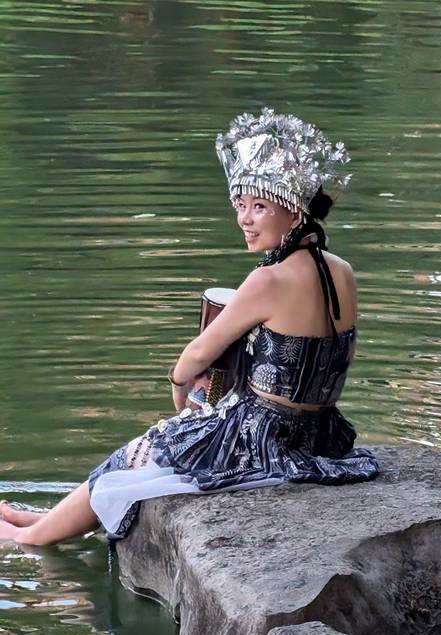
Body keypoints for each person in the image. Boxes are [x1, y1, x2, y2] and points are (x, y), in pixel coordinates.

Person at [0, 107, 378, 545]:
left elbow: (197, 355)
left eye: (259, 206)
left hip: (260, 438)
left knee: (142, 451)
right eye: (240, 205)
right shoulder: (343, 270)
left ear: (294, 215)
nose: (245, 219)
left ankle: (26, 539)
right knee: (148, 451)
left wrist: (180, 387)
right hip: (320, 435)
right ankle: (42, 520)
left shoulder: (269, 279)